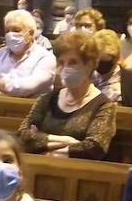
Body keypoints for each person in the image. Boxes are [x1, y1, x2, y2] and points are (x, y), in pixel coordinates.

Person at [18, 31, 117, 160]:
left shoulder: (104, 105)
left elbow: (94, 148)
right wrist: (66, 141)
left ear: (90, 65)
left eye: (73, 62)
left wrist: (43, 146)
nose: (65, 68)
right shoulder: (47, 98)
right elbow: (23, 135)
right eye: (62, 62)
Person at [0, 10, 56, 98]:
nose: (10, 34)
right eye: (7, 31)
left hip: (31, 110)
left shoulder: (45, 58)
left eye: (16, 30)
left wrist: (3, 84)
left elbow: (29, 86)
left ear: (30, 34)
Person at [92, 29, 132, 108]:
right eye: (98, 60)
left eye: (105, 61)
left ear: (116, 58)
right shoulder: (87, 77)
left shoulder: (129, 82)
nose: (100, 65)